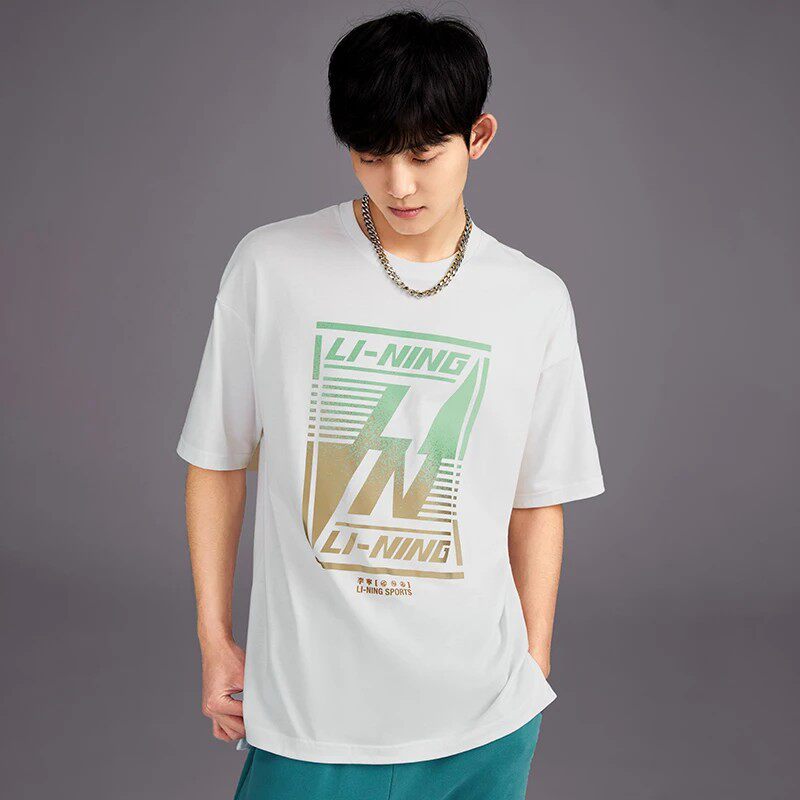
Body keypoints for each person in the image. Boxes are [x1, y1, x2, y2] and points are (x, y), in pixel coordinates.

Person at [177, 10, 604, 800]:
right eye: (371, 157)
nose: (398, 184)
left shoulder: (534, 299)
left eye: (423, 154)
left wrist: (533, 663)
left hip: (483, 719)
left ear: (479, 136)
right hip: (310, 715)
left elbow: (537, 498)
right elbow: (216, 460)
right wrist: (215, 640)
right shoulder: (272, 267)